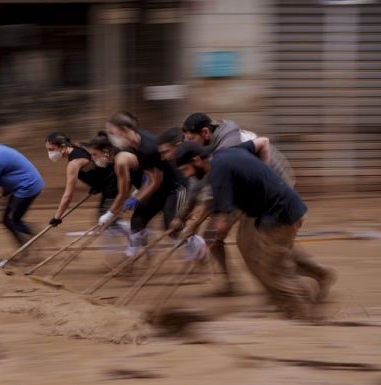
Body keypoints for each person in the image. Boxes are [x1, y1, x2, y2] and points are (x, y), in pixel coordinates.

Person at [174, 140, 335, 320]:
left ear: (196, 159)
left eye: (185, 170)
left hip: (280, 215)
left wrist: (205, 245)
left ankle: (306, 316)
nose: (187, 175)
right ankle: (297, 304)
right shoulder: (227, 152)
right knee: (268, 263)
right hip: (279, 210)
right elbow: (260, 144)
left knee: (272, 272)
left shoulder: (217, 173)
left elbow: (222, 219)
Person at [178, 112, 295, 295]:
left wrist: (193, 223)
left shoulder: (227, 145)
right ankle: (229, 285)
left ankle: (285, 288)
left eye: (192, 139)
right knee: (214, 235)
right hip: (244, 187)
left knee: (252, 243)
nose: (189, 143)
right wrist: (182, 216)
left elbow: (211, 194)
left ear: (205, 132)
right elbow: (196, 181)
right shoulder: (203, 149)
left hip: (274, 184)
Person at [99, 112, 186, 259]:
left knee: (171, 227)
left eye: (112, 132)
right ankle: (132, 255)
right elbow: (150, 176)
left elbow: (156, 180)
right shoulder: (135, 144)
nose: (111, 137)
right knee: (137, 220)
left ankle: (197, 247)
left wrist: (137, 198)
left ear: (125, 130)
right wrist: (138, 195)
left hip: (174, 188)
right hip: (158, 189)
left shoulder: (147, 147)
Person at [44, 132, 119, 224]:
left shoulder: (73, 164)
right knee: (105, 221)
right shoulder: (79, 146)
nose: (50, 153)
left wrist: (57, 217)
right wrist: (96, 185)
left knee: (106, 223)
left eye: (51, 149)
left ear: (63, 147)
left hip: (113, 184)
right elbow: (95, 166)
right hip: (110, 183)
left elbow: (68, 196)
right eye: (48, 150)